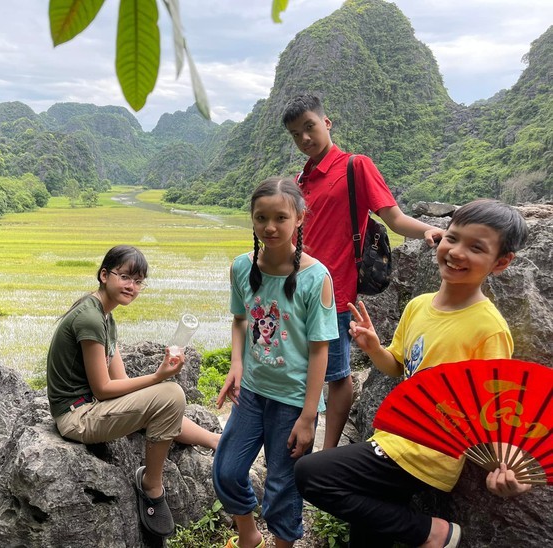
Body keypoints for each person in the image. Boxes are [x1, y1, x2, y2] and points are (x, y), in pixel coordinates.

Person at [294, 199, 532, 547]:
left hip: (427, 451)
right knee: (367, 536)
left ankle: (432, 533)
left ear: (501, 262)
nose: (456, 252)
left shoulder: (488, 328)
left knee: (311, 474)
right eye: (453, 238)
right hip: (394, 436)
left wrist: (513, 470)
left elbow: (497, 408)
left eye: (476, 247)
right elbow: (399, 367)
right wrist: (375, 348)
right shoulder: (419, 306)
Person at [282, 94, 446, 449]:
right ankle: (297, 436)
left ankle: (327, 453)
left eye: (309, 127)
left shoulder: (355, 166)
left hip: (335, 293)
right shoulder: (301, 179)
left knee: (338, 375)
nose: (304, 138)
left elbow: (394, 218)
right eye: (296, 134)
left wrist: (429, 231)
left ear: (326, 123)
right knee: (300, 367)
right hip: (297, 290)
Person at [46, 244, 221, 538]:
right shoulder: (89, 318)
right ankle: (151, 485)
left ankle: (217, 441)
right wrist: (158, 377)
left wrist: (158, 380)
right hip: (77, 417)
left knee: (164, 400)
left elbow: (122, 385)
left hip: (90, 408)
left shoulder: (105, 317)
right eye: (125, 277)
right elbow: (103, 389)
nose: (132, 286)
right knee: (171, 395)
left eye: (138, 281)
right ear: (104, 275)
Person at [213, 178, 338, 548]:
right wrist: (237, 363)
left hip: (292, 399)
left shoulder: (316, 278)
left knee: (283, 485)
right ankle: (249, 536)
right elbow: (240, 320)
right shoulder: (241, 267)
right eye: (261, 217)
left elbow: (320, 349)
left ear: (299, 218)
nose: (270, 226)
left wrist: (308, 416)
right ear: (251, 219)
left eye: (280, 217)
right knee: (226, 469)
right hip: (252, 390)